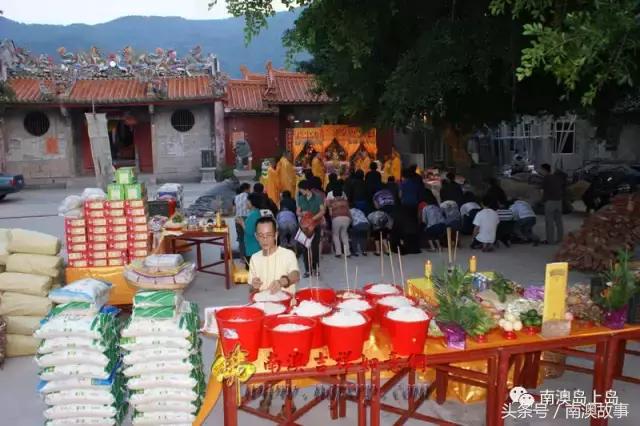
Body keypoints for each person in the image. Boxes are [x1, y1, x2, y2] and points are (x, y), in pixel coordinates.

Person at [248, 216, 300, 296]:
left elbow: (295, 275)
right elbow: (251, 290)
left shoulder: (288, 254)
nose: (265, 239)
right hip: (263, 304)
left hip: (286, 303)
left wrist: (281, 282)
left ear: (276, 235)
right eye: (261, 235)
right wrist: (254, 287)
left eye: (268, 235)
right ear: (256, 237)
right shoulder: (254, 258)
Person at [297, 180, 326, 277]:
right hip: (304, 226)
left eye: (301, 189)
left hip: (315, 225)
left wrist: (313, 218)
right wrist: (302, 213)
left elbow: (322, 211)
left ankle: (316, 269)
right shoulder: (300, 198)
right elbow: (298, 211)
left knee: (314, 247)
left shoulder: (317, 197)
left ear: (306, 189)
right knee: (305, 248)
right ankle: (307, 270)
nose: (300, 191)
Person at [540, 163, 564, 244]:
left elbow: (542, 190)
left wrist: (542, 200)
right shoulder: (556, 177)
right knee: (559, 222)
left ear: (544, 170)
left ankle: (550, 241)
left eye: (541, 170)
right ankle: (560, 239)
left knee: (549, 222)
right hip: (559, 201)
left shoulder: (546, 178)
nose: (540, 171)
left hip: (550, 202)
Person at [326, 188, 351, 257]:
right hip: (347, 218)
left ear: (333, 195)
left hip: (336, 218)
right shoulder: (345, 201)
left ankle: (338, 252)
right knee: (344, 235)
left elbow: (330, 213)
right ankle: (347, 253)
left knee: (336, 235)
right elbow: (349, 210)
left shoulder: (331, 202)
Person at [243, 193, 266, 261]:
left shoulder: (253, 215)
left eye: (248, 201)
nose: (246, 202)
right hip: (255, 246)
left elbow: (249, 232)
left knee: (252, 269)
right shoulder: (257, 212)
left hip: (253, 248)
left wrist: (241, 223)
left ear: (252, 202)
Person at [233, 183, 251, 260]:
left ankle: (242, 258)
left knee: (241, 239)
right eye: (250, 188)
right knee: (249, 237)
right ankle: (249, 256)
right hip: (247, 218)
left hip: (238, 219)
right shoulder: (250, 196)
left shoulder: (235, 197)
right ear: (247, 189)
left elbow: (234, 210)